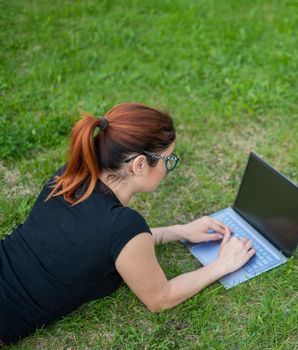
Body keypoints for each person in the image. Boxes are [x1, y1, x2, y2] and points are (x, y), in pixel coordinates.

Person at [0, 102, 255, 345]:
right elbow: (160, 298)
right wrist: (223, 265)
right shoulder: (122, 226)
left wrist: (180, 231)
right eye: (168, 160)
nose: (169, 168)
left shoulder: (70, 175)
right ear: (140, 165)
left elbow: (113, 244)